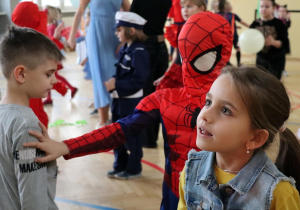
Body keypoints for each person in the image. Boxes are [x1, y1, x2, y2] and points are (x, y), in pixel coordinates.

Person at [25, 12, 233, 210]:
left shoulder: (170, 99)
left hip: (220, 193)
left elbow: (118, 131)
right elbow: (119, 131)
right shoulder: (235, 99)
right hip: (185, 192)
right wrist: (66, 146)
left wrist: (66, 146)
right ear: (225, 49)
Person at [178, 65, 300, 209]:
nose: (204, 115)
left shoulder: (279, 195)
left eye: (225, 110)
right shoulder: (191, 170)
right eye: (208, 102)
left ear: (256, 138)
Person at [0, 26, 63, 209]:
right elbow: (34, 201)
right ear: (21, 74)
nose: (55, 80)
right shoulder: (27, 124)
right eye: (48, 74)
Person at [68, 0, 130, 129]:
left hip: (117, 34)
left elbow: (129, 13)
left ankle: (117, 117)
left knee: (116, 74)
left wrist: (127, 39)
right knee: (100, 75)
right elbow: (80, 11)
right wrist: (72, 36)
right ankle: (103, 121)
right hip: (96, 34)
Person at [103, 11, 149, 179]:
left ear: (131, 30)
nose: (116, 33)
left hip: (131, 101)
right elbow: (122, 72)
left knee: (132, 137)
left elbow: (139, 80)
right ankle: (119, 165)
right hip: (119, 99)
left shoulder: (139, 51)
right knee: (117, 134)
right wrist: (114, 81)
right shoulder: (126, 48)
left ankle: (133, 168)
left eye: (119, 30)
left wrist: (117, 85)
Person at [11, 1, 67, 128]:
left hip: (28, 92)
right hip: (31, 93)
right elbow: (45, 65)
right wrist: (59, 86)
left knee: (39, 119)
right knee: (35, 122)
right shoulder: (34, 38)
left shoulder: (23, 39)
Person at [130, 0, 172, 148]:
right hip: (161, 46)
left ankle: (148, 139)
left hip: (144, 47)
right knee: (158, 93)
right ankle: (151, 137)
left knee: (146, 94)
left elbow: (131, 24)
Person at [155, 0, 207, 90]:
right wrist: (165, 75)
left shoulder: (204, 30)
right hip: (178, 71)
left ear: (201, 8)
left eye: (189, 6)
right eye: (183, 7)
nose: (185, 10)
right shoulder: (181, 29)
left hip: (194, 75)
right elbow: (176, 55)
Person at [43, 5, 78, 105]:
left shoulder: (51, 27)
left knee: (53, 76)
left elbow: (51, 41)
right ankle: (49, 97)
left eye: (46, 13)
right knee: (49, 76)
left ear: (50, 15)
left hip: (51, 56)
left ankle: (72, 88)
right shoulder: (50, 26)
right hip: (50, 55)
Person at [250, 0, 288, 80]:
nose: (263, 9)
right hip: (260, 59)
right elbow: (249, 38)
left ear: (273, 8)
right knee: (260, 82)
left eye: (267, 7)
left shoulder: (279, 24)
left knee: (274, 83)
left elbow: (285, 42)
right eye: (261, 6)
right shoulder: (255, 24)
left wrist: (274, 42)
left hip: (276, 60)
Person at [218, 0, 249, 66]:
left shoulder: (220, 15)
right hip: (234, 36)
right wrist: (251, 26)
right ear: (228, 7)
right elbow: (242, 22)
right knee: (238, 48)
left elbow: (225, 25)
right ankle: (238, 63)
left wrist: (235, 26)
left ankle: (227, 62)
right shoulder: (233, 15)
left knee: (227, 50)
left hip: (225, 36)